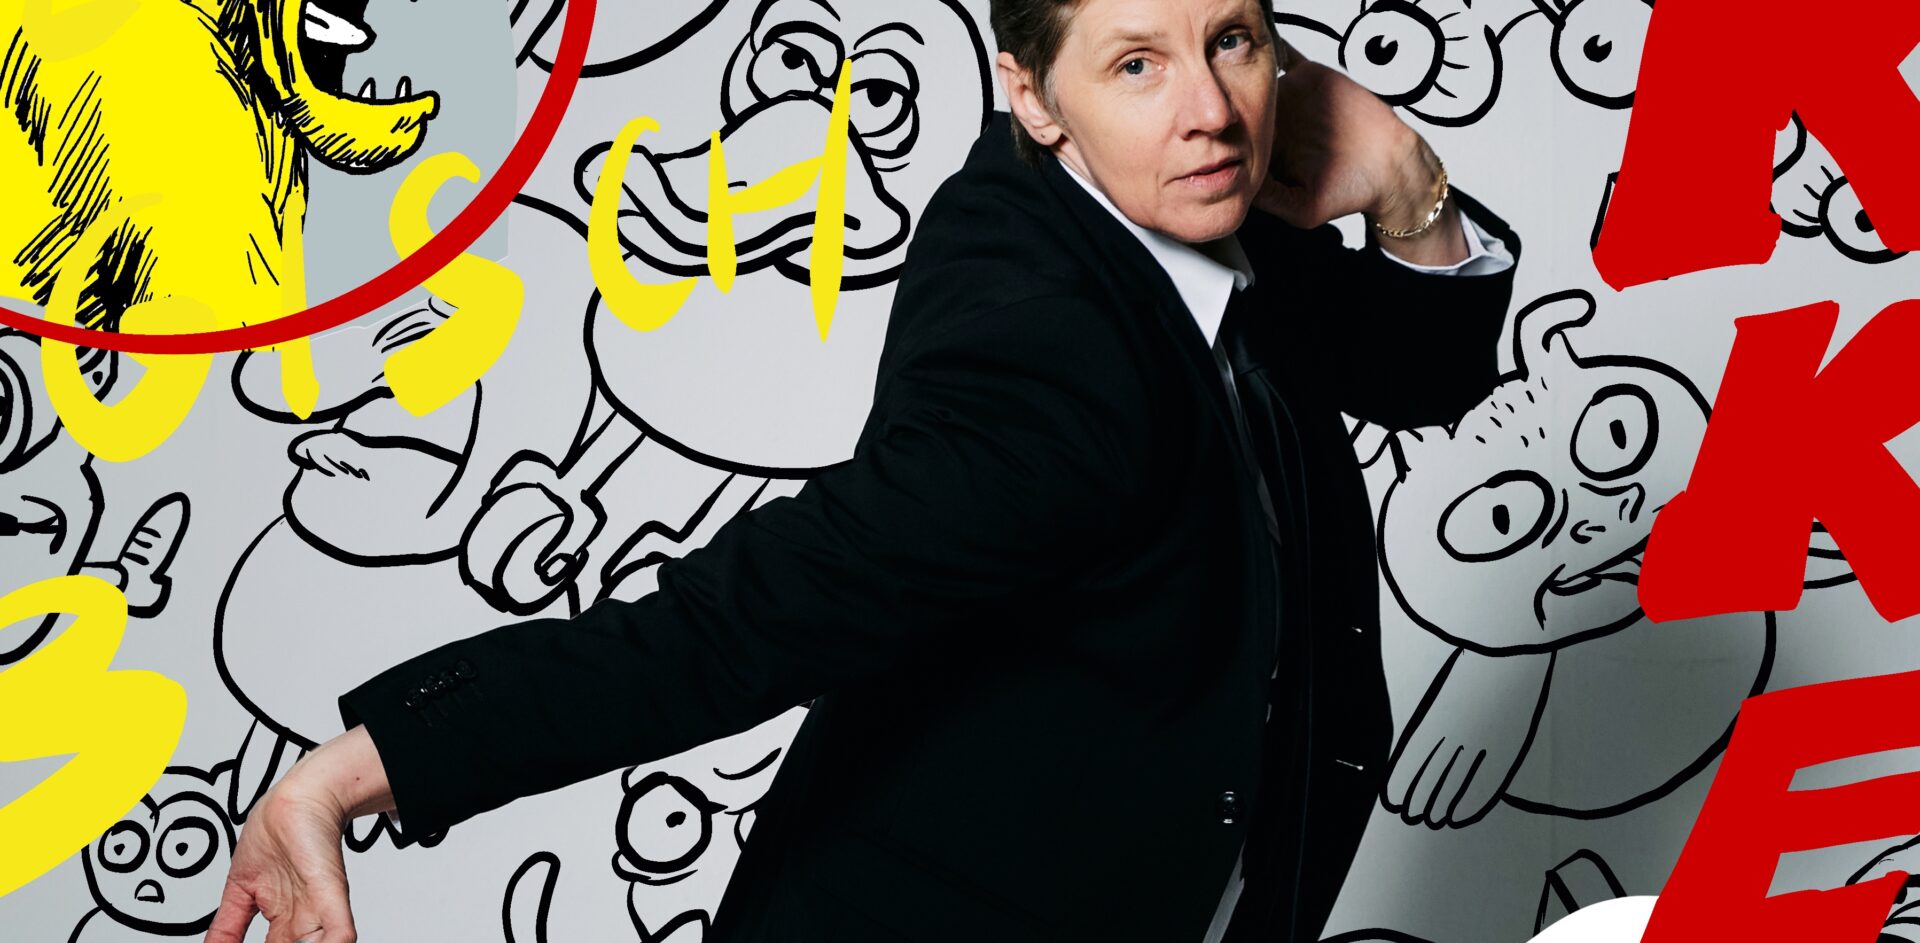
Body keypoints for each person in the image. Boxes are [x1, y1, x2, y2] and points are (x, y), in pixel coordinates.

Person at [205, 0, 1520, 941]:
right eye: (1136, 63)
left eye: (1232, 40)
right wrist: (360, 771)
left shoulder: (1192, 202)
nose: (1212, 109)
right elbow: (754, 616)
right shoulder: (1043, 326)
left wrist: (1408, 186)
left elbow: (1414, 374)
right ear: (1031, 94)